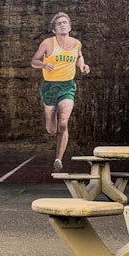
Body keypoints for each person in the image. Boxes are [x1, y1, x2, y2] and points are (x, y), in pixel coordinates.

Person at [31, 12, 90, 172]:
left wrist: (82, 66)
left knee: (63, 123)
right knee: (51, 128)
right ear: (54, 29)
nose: (63, 25)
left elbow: (79, 57)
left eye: (65, 22)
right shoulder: (48, 43)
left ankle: (58, 158)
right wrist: (43, 65)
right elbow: (34, 61)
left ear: (70, 26)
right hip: (50, 87)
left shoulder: (76, 43)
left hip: (67, 86)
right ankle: (50, 122)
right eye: (59, 23)